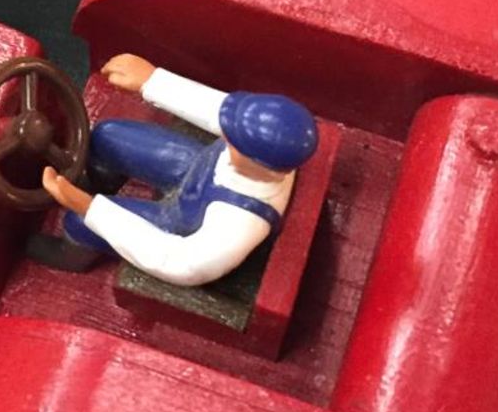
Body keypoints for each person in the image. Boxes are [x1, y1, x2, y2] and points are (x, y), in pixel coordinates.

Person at [39, 53, 318, 288]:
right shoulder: (255, 149)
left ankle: (71, 254)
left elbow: (176, 261)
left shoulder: (238, 224)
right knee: (107, 136)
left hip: (179, 221)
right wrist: (151, 80)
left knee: (80, 222)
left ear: (255, 160)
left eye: (234, 139)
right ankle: (101, 181)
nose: (227, 133)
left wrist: (90, 208)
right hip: (196, 168)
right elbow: (216, 109)